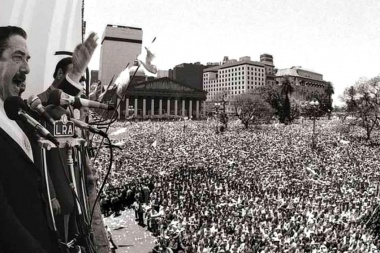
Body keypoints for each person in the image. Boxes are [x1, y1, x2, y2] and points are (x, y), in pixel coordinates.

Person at [0, 25, 97, 252]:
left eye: (27, 58)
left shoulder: (17, 111)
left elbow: (51, 105)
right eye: (18, 57)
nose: (26, 67)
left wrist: (75, 74)